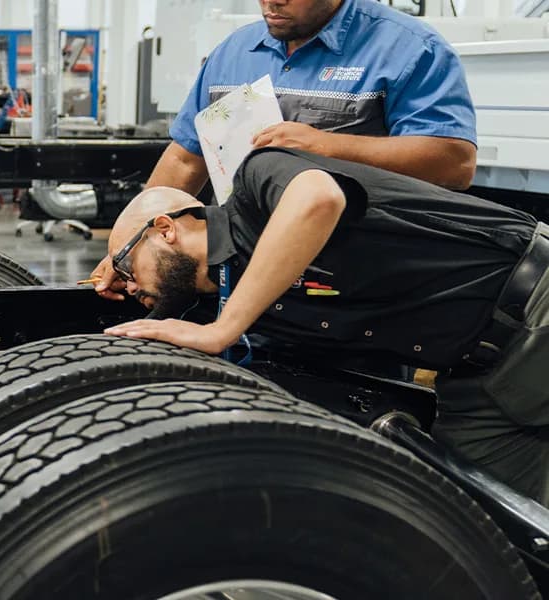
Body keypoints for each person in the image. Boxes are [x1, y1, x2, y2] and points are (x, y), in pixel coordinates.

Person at [95, 146, 549, 502]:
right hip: (475, 377)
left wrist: (222, 330)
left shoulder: (257, 183)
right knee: (475, 519)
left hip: (535, 302)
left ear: (165, 229)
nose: (129, 285)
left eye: (127, 265)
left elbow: (319, 198)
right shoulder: (239, 302)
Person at [93, 0, 479, 297]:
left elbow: (454, 163)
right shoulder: (235, 52)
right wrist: (127, 249)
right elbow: (184, 158)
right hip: (239, 281)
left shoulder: (409, 49)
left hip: (351, 290)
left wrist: (326, 146)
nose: (271, 2)